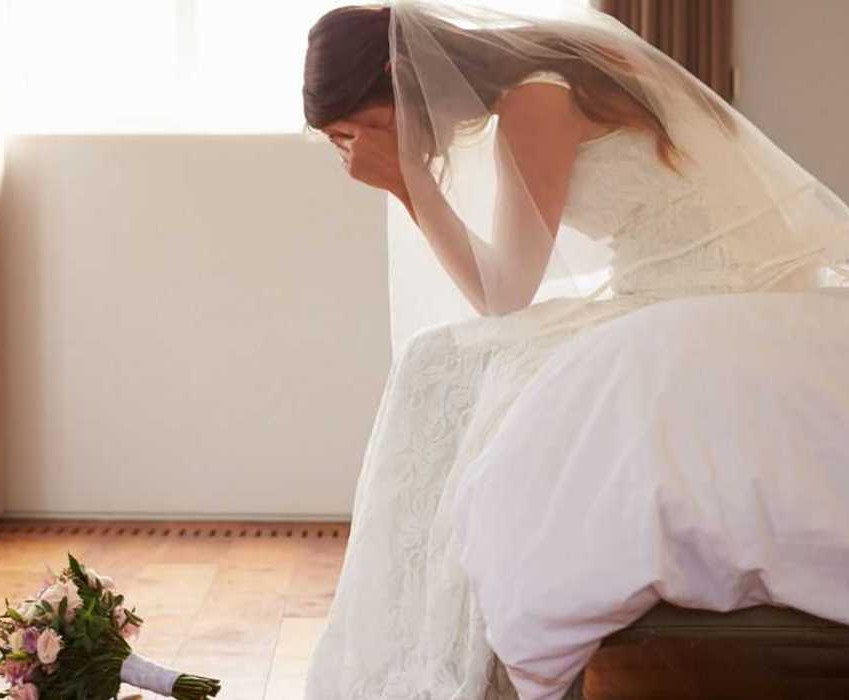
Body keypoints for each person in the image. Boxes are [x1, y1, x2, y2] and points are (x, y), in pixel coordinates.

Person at [300, 2, 849, 698]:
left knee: (441, 364)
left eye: (369, 129)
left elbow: (504, 295)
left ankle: (425, 652)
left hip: (690, 299)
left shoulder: (535, 98)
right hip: (674, 289)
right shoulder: (554, 72)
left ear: (398, 76)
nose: (370, 150)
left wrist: (410, 185)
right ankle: (420, 637)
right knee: (442, 358)